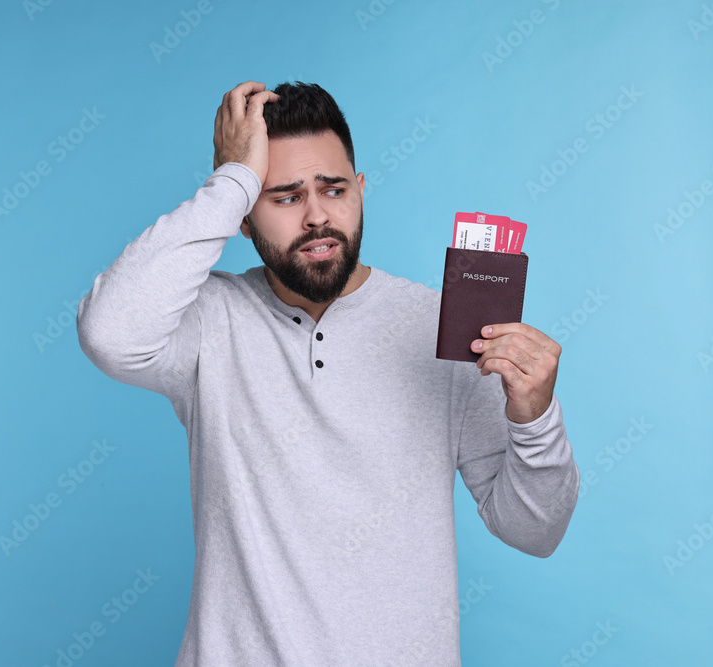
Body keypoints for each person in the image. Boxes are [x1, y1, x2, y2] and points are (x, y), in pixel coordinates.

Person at [76, 80, 580, 666]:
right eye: (284, 197)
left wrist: (535, 419)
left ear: (360, 191)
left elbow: (534, 532)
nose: (317, 216)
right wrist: (230, 182)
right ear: (243, 215)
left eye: (334, 190)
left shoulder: (438, 328)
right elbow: (109, 334)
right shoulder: (208, 323)